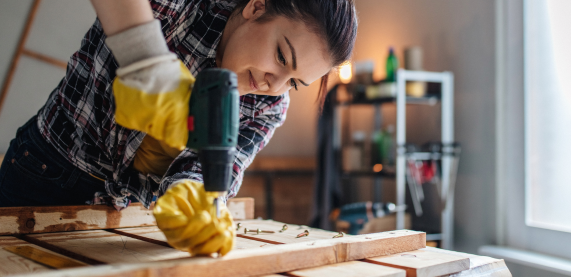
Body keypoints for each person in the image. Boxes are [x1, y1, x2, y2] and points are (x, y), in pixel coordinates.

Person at [0, 0, 357, 255]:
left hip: (124, 216)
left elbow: (217, 167)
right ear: (256, 7)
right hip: (43, 172)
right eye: (281, 56)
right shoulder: (185, 8)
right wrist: (146, 60)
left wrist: (193, 196)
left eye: (293, 82)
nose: (273, 85)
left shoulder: (269, 107)